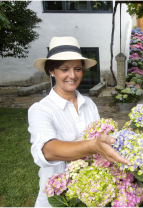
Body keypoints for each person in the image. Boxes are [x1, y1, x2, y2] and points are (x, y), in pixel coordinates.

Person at [29, 37, 130, 207]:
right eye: (64, 69)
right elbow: (47, 151)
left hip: (91, 195)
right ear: (51, 71)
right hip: (58, 199)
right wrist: (93, 146)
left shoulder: (89, 104)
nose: (72, 75)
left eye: (77, 69)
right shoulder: (40, 109)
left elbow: (101, 144)